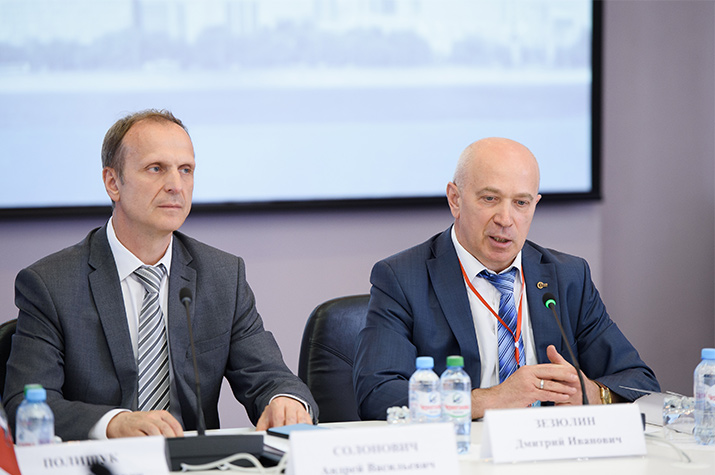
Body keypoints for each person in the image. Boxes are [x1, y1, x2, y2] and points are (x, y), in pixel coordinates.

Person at [3, 109, 317, 441]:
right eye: (156, 169)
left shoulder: (223, 277)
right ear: (113, 183)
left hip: (194, 462)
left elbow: (270, 377)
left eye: (186, 170)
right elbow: (25, 403)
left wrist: (285, 401)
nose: (175, 186)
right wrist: (113, 424)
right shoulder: (51, 284)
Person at [353, 137, 660, 420]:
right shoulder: (403, 278)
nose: (505, 219)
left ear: (534, 205)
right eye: (490, 199)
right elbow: (378, 396)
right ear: (455, 199)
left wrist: (592, 394)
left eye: (521, 203)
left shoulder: (568, 277)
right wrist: (493, 399)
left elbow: (641, 384)